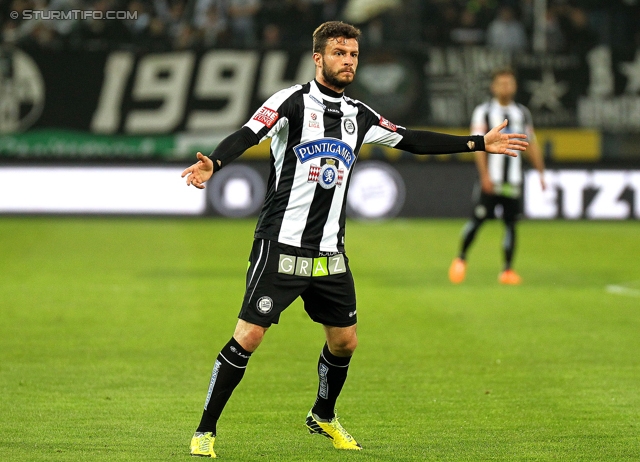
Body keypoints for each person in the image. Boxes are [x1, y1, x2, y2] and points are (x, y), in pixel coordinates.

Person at [182, 21, 528, 458]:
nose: (347, 61)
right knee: (248, 336)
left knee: (345, 341)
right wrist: (214, 161)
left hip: (330, 251)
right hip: (281, 244)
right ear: (318, 58)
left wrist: (477, 142)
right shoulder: (289, 102)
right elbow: (249, 134)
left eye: (353, 54)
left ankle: (323, 417)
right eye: (339, 53)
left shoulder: (360, 115)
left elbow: (411, 140)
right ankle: (205, 430)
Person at [448, 68, 545, 286]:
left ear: (515, 86)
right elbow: (479, 146)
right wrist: (484, 176)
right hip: (491, 179)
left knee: (511, 224)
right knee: (478, 219)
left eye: (509, 83)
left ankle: (508, 270)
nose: (505, 87)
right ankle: (460, 259)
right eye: (501, 83)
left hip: (513, 180)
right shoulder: (483, 112)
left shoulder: (522, 112)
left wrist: (541, 172)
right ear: (493, 87)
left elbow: (531, 144)